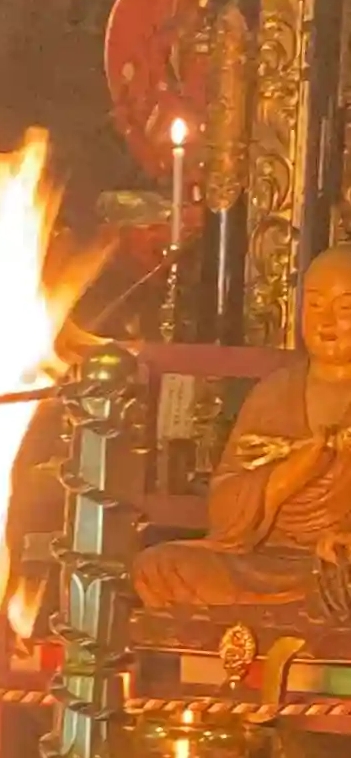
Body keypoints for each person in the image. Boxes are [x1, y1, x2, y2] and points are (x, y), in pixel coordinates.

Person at [135, 246, 351, 615]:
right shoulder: (275, 392)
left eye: (344, 309)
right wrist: (287, 477)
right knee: (157, 567)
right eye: (315, 306)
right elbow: (223, 507)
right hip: (264, 562)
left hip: (336, 564)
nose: (326, 321)